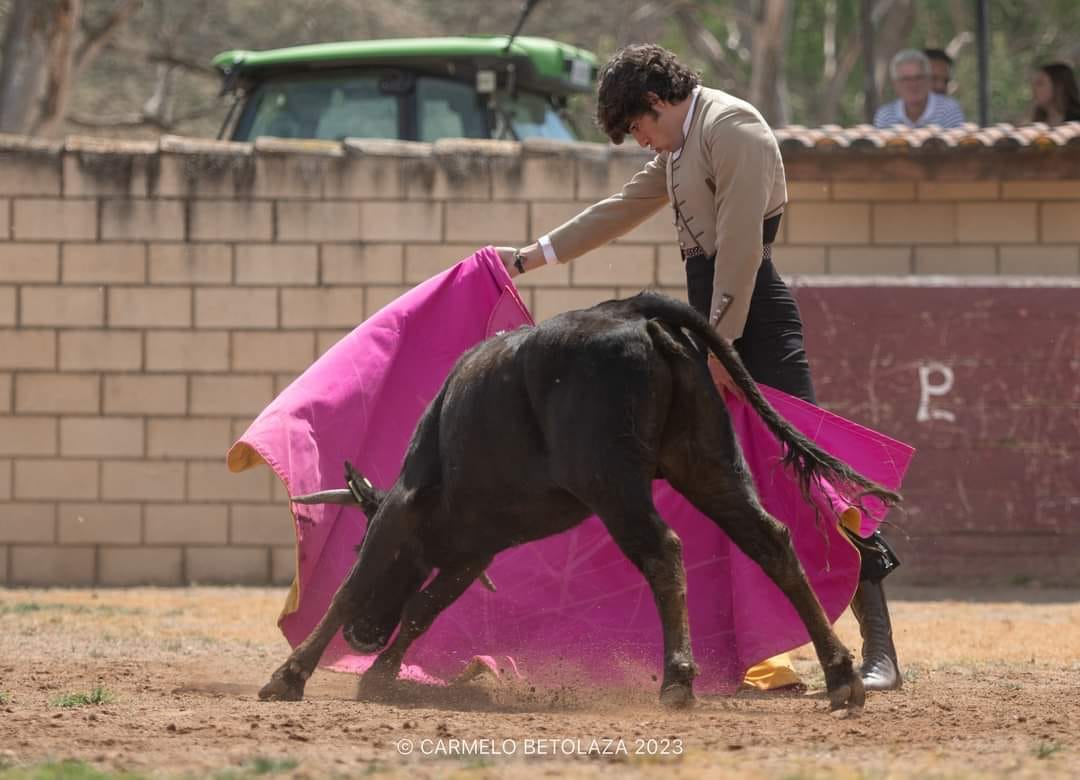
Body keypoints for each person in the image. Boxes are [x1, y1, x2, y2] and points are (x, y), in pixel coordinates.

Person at [499, 43, 903, 692]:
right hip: (714, 322)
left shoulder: (732, 128)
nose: (641, 141)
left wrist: (722, 346)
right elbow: (620, 209)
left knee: (809, 482)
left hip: (752, 327)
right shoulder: (683, 142)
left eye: (638, 127)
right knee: (714, 482)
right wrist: (526, 258)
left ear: (657, 103)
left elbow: (741, 250)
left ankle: (880, 649)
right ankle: (745, 649)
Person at [873, 49, 965, 128]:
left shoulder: (949, 110)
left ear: (928, 80)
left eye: (918, 77)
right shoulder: (885, 116)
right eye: (906, 79)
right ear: (895, 84)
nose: (913, 84)